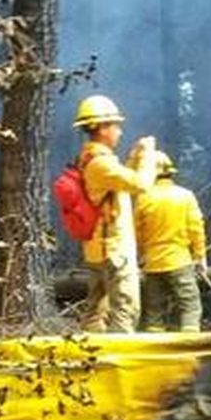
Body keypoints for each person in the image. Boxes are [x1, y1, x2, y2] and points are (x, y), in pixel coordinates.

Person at [72, 94, 160, 332]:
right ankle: (118, 363)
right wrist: (150, 156)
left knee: (96, 314)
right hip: (113, 251)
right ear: (101, 128)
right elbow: (140, 184)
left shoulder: (91, 159)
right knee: (125, 310)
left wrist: (134, 157)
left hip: (98, 248)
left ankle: (91, 363)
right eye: (115, 125)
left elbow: (120, 183)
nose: (119, 131)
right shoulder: (100, 164)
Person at [134, 153, 208, 332]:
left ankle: (155, 352)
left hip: (153, 264)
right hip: (179, 261)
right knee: (190, 306)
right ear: (170, 173)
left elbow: (137, 232)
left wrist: (142, 255)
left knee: (154, 312)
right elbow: (195, 228)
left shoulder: (144, 198)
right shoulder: (185, 196)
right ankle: (190, 347)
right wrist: (200, 256)